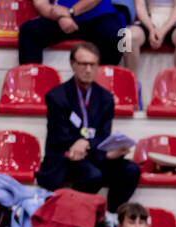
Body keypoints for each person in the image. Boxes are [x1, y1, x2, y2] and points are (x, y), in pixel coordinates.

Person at [35, 42, 141, 215]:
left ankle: (112, 215)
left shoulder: (106, 98)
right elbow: (60, 139)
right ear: (73, 64)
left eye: (93, 65)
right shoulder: (56, 96)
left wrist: (86, 144)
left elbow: (103, 136)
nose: (88, 69)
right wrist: (99, 151)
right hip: (65, 158)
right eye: (83, 64)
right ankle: (73, 214)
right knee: (92, 175)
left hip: (93, 155)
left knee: (131, 170)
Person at [19, 0, 125, 65]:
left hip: (98, 16)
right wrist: (60, 16)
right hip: (61, 18)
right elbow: (40, 3)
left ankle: (105, 88)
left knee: (117, 36)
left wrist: (71, 12)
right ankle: (31, 85)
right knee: (28, 31)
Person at [122, 0, 176, 75]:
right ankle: (130, 81)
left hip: (173, 23)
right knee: (128, 37)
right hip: (147, 21)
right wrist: (151, 29)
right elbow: (140, 7)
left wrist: (163, 31)